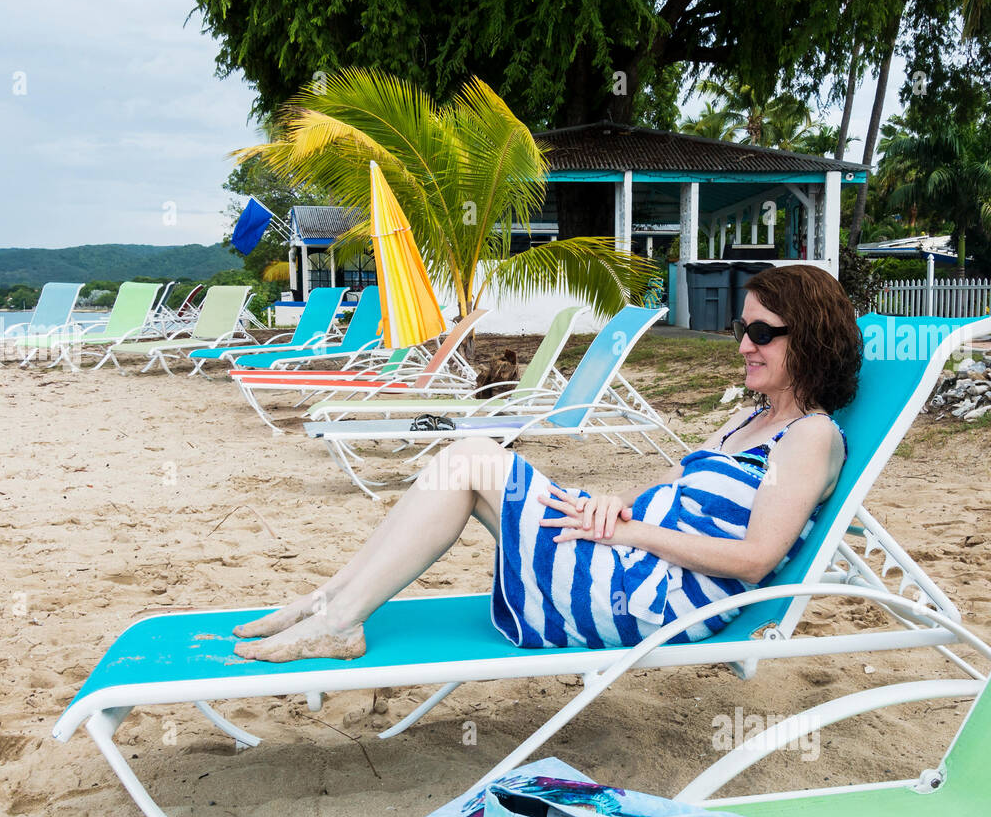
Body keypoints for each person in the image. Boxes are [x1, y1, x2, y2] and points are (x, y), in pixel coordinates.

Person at [231, 265, 862, 662]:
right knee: (467, 463)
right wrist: (617, 506)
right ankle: (330, 604)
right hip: (630, 555)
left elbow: (755, 558)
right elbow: (679, 493)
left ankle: (338, 617)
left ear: (807, 339)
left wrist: (630, 531)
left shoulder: (809, 437)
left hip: (653, 598)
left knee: (474, 458)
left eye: (762, 333)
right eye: (740, 329)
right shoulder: (747, 420)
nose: (744, 345)